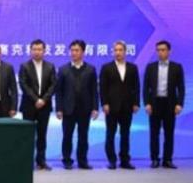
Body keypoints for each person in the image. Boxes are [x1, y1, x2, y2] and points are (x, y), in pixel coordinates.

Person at [56, 40, 99, 170]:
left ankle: (82, 160)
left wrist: (95, 108)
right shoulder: (63, 70)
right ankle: (67, 160)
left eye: (77, 50)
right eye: (72, 50)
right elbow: (59, 91)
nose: (74, 53)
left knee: (83, 137)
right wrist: (59, 109)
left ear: (83, 52)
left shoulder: (91, 69)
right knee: (67, 136)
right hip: (68, 109)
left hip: (85, 109)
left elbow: (94, 91)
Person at [143, 40, 185, 169]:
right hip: (155, 103)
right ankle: (155, 159)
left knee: (169, 133)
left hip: (170, 104)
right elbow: (146, 88)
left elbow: (181, 88)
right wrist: (147, 103)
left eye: (163, 50)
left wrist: (179, 104)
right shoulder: (150, 67)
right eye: (158, 50)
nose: (160, 52)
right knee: (154, 133)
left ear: (169, 51)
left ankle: (167, 159)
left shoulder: (176, 67)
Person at [99, 41, 139, 170]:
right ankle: (112, 160)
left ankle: (125, 160)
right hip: (111, 107)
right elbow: (103, 88)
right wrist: (104, 103)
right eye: (116, 50)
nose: (118, 52)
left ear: (125, 52)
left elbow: (136, 87)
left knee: (125, 134)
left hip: (127, 106)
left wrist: (136, 103)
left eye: (120, 50)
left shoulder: (133, 68)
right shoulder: (106, 67)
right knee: (110, 134)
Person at [19, 39, 57, 170]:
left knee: (42, 134)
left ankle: (41, 161)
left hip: (44, 106)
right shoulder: (24, 66)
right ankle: (26, 161)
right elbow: (24, 85)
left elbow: (53, 85)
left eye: (39, 49)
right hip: (29, 106)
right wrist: (36, 99)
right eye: (34, 49)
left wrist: (43, 100)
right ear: (30, 51)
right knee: (27, 135)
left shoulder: (50, 66)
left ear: (44, 51)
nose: (37, 52)